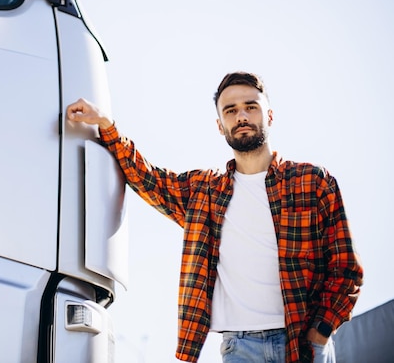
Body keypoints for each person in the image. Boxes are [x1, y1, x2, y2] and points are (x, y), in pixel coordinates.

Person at [66, 72, 363, 363]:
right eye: (231, 110)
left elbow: (346, 270)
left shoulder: (312, 181)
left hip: (304, 344)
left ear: (269, 116)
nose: (242, 116)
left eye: (251, 107)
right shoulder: (205, 192)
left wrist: (319, 334)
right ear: (220, 125)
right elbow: (149, 179)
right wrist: (106, 124)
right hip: (240, 347)